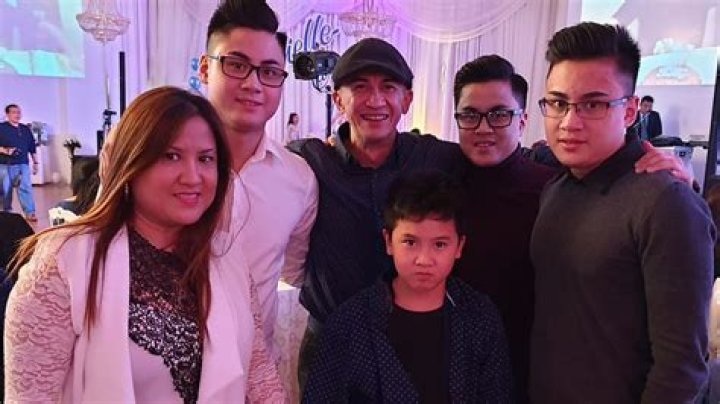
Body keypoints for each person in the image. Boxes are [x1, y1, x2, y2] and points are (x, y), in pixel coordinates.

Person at [4, 86, 286, 402]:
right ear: (131, 162)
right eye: (171, 156)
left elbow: (259, 373)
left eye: (206, 159)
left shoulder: (226, 255)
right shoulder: (65, 261)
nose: (193, 177)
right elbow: (31, 397)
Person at [529, 22, 714, 403]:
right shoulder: (556, 188)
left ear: (630, 111)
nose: (569, 122)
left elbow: (681, 368)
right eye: (558, 103)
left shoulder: (665, 203)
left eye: (593, 104)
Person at [287, 37, 464, 387]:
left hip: (411, 341)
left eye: (388, 87)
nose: (375, 100)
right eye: (360, 87)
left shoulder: (433, 157)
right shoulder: (310, 161)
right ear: (339, 99)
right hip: (331, 344)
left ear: (407, 100)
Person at [303, 171, 511, 402]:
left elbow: (497, 396)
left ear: (459, 247)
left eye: (440, 245)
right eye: (410, 242)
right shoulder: (349, 324)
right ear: (389, 241)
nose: (424, 259)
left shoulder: (479, 317)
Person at [198, 0, 319, 362]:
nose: (253, 84)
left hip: (250, 369)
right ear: (205, 69)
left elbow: (295, 271)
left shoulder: (298, 179)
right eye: (236, 65)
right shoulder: (155, 161)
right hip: (152, 371)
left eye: (269, 71)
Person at [451, 54, 558, 403]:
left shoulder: (554, 190)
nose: (483, 128)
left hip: (526, 371)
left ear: (522, 121)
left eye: (499, 115)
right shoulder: (437, 182)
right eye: (470, 115)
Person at [0, 104, 38, 221]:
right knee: (6, 190)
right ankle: (6, 213)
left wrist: (35, 162)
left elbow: (32, 147)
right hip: (5, 164)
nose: (17, 114)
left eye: (18, 112)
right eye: (14, 112)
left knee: (26, 188)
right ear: (7, 114)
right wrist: (5, 150)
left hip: (23, 163)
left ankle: (30, 212)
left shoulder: (25, 129)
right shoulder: (2, 127)